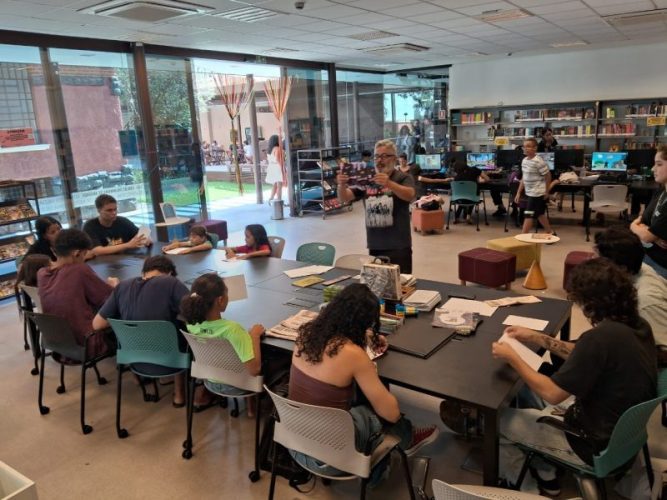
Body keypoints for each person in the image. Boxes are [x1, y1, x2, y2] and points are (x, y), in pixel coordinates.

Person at [492, 258, 657, 494]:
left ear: (591, 303)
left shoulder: (600, 338)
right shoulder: (636, 325)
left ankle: (527, 488)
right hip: (616, 432)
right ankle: (546, 471)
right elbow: (582, 351)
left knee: (496, 421)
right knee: (527, 386)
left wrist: (512, 357)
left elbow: (552, 393)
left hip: (586, 442)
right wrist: (537, 337)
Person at [289, 283, 439, 482]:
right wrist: (366, 365)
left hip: (296, 444)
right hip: (333, 458)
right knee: (374, 409)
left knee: (360, 402)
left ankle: (395, 451)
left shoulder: (305, 334)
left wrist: (367, 337)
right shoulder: (353, 355)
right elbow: (392, 413)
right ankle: (407, 440)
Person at [92, 255, 190, 406]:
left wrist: (123, 309)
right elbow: (195, 315)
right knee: (180, 328)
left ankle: (141, 378)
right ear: (170, 273)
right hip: (171, 359)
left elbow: (97, 324)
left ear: (143, 273)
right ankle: (179, 396)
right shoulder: (170, 283)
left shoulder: (122, 286)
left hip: (135, 360)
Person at [180, 273, 265, 413]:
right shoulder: (233, 330)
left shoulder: (191, 324)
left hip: (210, 381)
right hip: (238, 385)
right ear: (220, 300)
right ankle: (255, 408)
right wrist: (254, 336)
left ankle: (250, 408)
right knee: (273, 359)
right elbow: (254, 370)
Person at [337, 139, 416, 273]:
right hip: (375, 244)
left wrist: (389, 183)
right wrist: (341, 185)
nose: (380, 160)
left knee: (401, 282)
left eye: (384, 156)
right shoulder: (367, 179)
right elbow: (344, 197)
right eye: (377, 156)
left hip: (399, 245)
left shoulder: (403, 177)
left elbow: (410, 195)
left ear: (394, 158)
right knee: (377, 282)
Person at [37, 229, 117, 358]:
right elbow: (109, 298)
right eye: (84, 254)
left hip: (59, 343)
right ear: (76, 253)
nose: (84, 259)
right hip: (87, 344)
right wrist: (114, 286)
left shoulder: (42, 274)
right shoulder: (79, 270)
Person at [594, 227, 667, 358]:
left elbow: (663, 352)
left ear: (620, 268)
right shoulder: (638, 267)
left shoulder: (646, 302)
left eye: (599, 260)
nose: (593, 261)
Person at [630, 144, 667, 279]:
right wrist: (653, 235)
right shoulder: (661, 191)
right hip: (647, 253)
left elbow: (646, 236)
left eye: (659, 164)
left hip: (661, 264)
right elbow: (643, 219)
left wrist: (633, 226)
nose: (653, 169)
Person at [83, 194, 151, 256]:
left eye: (115, 209)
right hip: (103, 262)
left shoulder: (123, 221)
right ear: (99, 211)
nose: (114, 213)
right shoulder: (90, 226)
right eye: (109, 210)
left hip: (126, 258)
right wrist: (128, 245)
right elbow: (96, 251)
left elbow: (140, 235)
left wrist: (146, 239)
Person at [515, 138, 554, 234]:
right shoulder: (524, 160)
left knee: (528, 214)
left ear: (535, 148)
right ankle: (550, 232)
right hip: (530, 192)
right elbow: (524, 177)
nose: (525, 148)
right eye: (524, 146)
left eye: (528, 146)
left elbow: (548, 176)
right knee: (539, 213)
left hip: (537, 193)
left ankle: (523, 236)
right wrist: (518, 192)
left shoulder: (538, 161)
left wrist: (546, 191)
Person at [265, 135, 283, 203]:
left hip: (272, 167)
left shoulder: (270, 149)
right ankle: (279, 200)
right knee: (279, 185)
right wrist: (283, 168)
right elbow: (278, 160)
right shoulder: (277, 149)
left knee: (275, 184)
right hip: (277, 167)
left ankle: (271, 198)